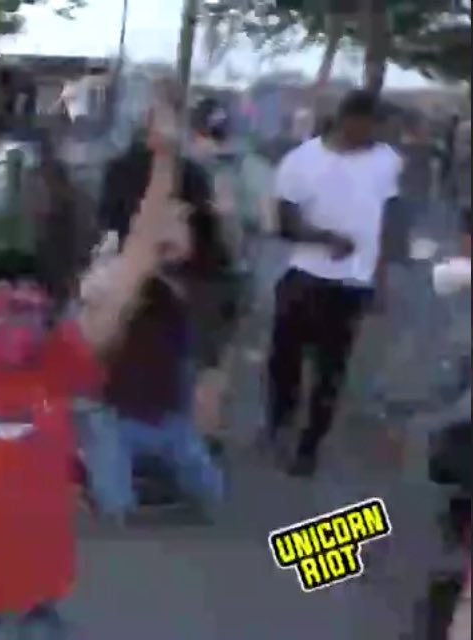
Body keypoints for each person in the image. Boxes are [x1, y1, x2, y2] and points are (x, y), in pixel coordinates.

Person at [0, 50, 189, 636]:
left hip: (37, 614)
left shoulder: (63, 364)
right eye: (5, 290)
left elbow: (138, 259)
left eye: (33, 290)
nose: (23, 300)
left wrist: (167, 155)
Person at [81, 96, 240, 521]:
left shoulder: (195, 275)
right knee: (118, 500)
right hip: (117, 404)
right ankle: (108, 466)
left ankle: (164, 465)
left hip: (168, 402)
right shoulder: (114, 275)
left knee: (188, 384)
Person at [263, 90, 402, 477]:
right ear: (348, 121)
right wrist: (324, 238)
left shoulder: (387, 162)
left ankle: (309, 445)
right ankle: (280, 424)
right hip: (304, 277)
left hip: (353, 284)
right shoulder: (302, 161)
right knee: (284, 360)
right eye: (371, 125)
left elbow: (388, 222)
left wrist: (382, 277)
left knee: (331, 370)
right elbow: (284, 224)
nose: (376, 133)